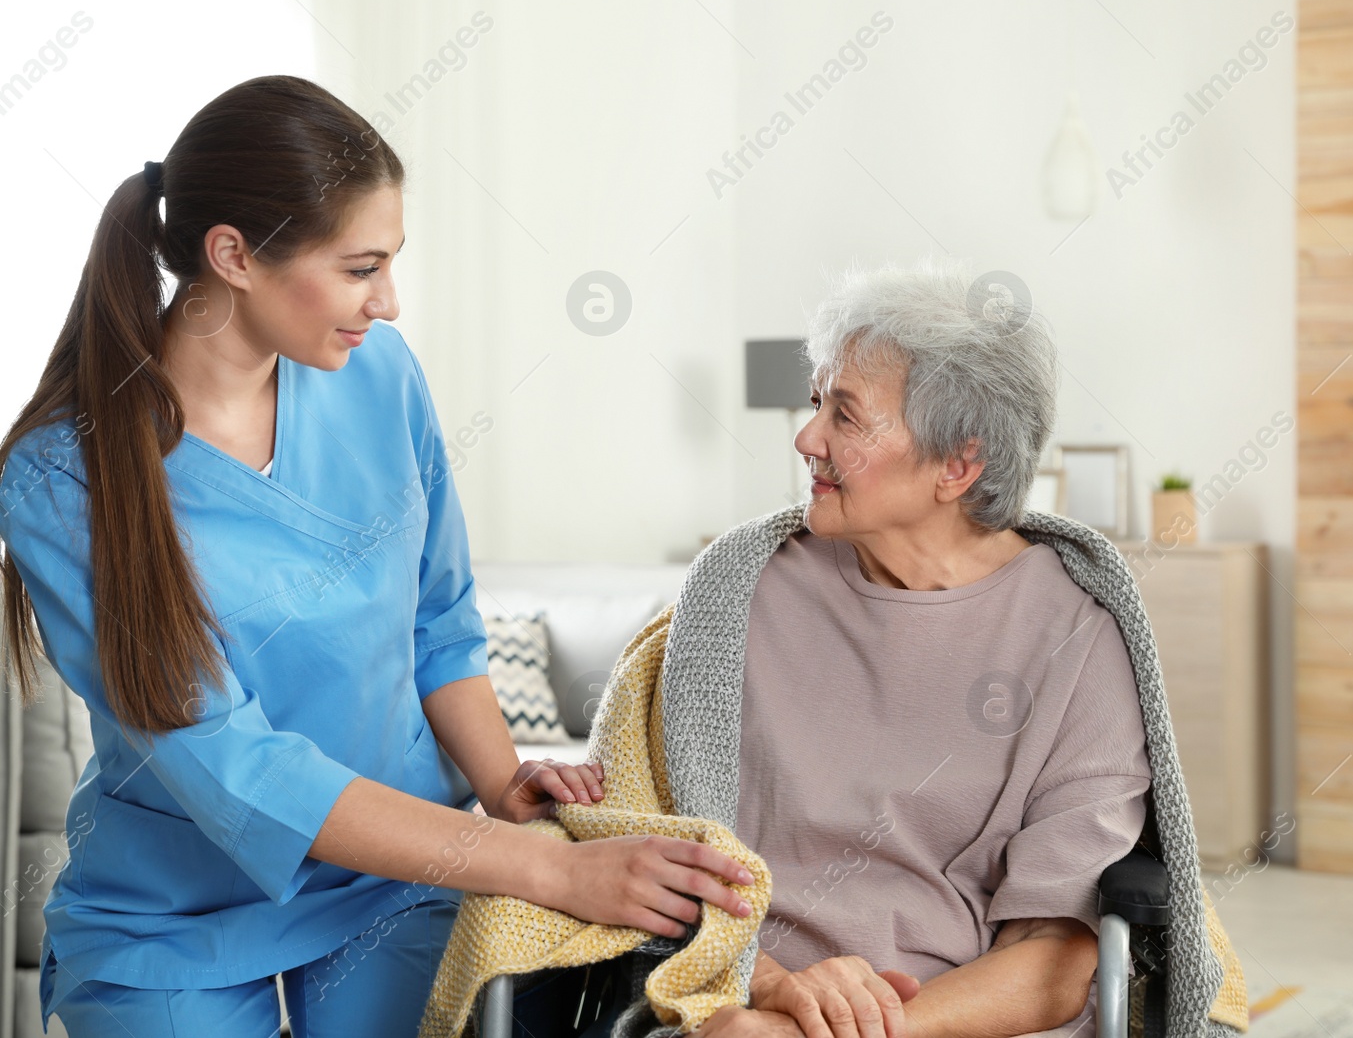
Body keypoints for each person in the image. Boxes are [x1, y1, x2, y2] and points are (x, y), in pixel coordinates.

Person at [0, 74, 752, 1038]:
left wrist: (501, 783)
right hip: (169, 915)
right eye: (361, 268)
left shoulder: (378, 377)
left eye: (390, 265)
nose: (387, 303)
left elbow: (438, 619)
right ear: (231, 255)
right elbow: (237, 765)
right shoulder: (63, 480)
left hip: (396, 877)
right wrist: (550, 867)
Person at [691, 262, 1154, 1037]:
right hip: (739, 996)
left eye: (845, 415)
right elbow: (657, 844)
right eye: (817, 404)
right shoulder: (743, 588)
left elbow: (1057, 956)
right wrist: (770, 990)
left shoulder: (1076, 631)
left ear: (958, 465)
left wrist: (846, 1034)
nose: (806, 438)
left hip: (949, 1017)